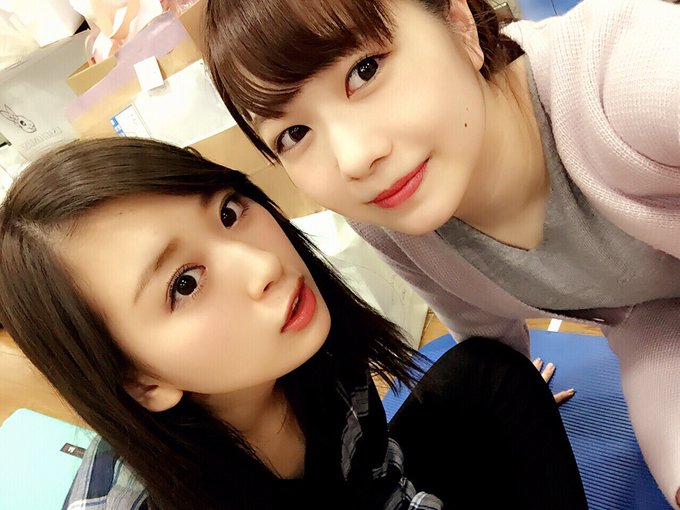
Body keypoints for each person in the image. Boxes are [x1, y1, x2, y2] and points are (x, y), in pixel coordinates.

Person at [202, 0, 680, 506]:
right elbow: (481, 328)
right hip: (653, 326)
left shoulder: (633, 77)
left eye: (365, 70)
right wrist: (517, 389)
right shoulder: (390, 218)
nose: (354, 159)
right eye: (294, 134)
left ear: (459, 23)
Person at [0, 138, 586, 509]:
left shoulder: (315, 357)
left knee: (491, 375)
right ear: (142, 382)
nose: (264, 267)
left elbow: (382, 485)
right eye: (185, 284)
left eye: (228, 212)